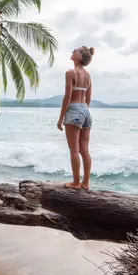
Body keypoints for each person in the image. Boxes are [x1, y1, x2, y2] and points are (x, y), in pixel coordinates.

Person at [57, 46, 94, 189]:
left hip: (74, 110)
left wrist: (61, 118)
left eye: (75, 50)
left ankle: (76, 183)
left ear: (79, 56)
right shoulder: (88, 75)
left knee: (74, 150)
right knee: (85, 150)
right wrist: (83, 111)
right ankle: (86, 183)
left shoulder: (70, 73)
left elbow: (67, 96)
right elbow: (88, 98)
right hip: (85, 110)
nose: (72, 52)